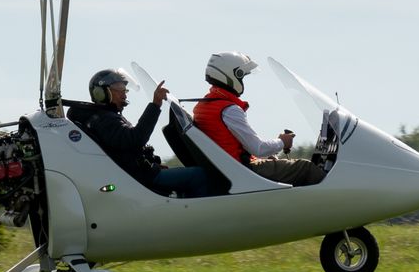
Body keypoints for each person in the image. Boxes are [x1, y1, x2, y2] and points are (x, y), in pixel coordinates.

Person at [67, 69, 212, 198]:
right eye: (118, 87)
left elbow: (128, 150)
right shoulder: (103, 119)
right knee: (199, 175)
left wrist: (152, 165)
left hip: (142, 174)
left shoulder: (103, 117)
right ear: (101, 92)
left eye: (124, 87)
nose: (124, 91)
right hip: (140, 178)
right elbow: (135, 138)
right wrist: (155, 105)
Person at [191, 52, 325, 186]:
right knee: (305, 168)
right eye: (242, 76)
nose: (243, 81)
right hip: (245, 171)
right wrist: (283, 142)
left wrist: (270, 153)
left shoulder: (203, 106)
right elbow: (258, 148)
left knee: (280, 163)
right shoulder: (229, 110)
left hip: (231, 170)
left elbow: (232, 145)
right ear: (232, 76)